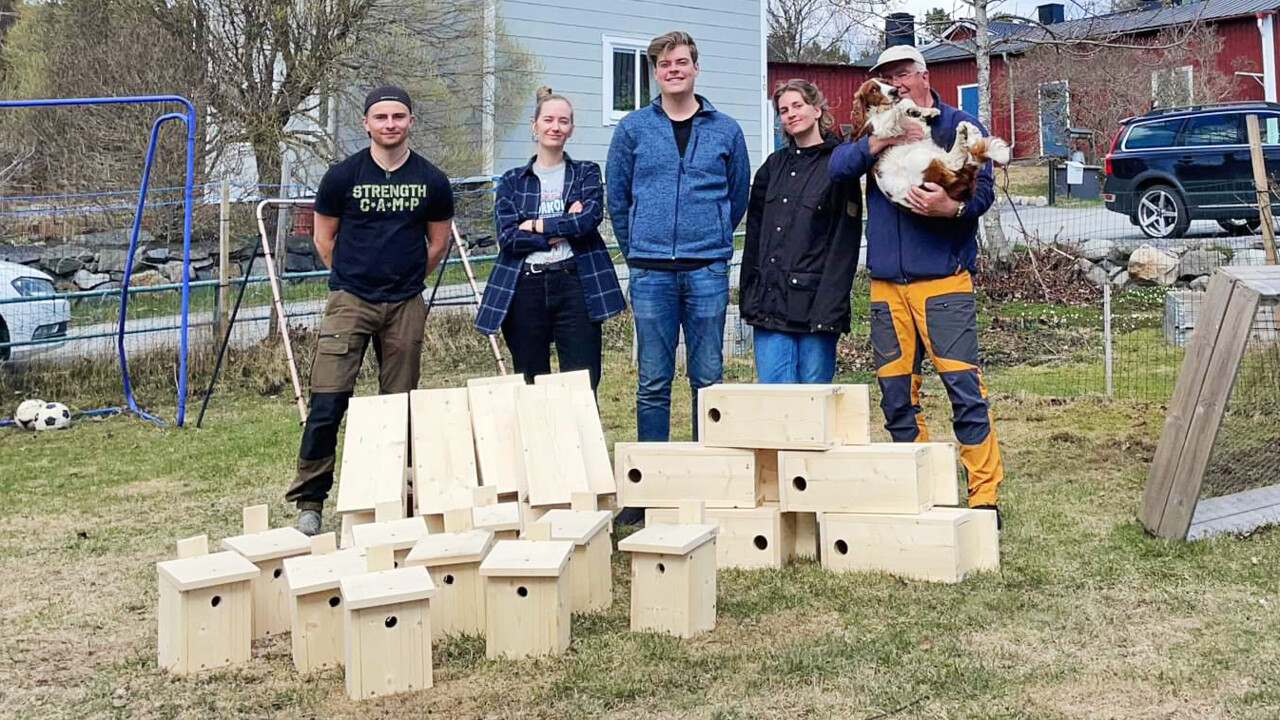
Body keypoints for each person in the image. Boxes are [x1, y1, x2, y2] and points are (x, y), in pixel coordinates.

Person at [828, 45, 1006, 525]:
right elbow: (838, 168)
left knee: (964, 389)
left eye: (903, 73)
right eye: (887, 77)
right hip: (887, 285)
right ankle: (922, 487)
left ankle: (983, 497)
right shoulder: (875, 125)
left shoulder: (959, 124)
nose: (896, 83)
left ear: (924, 74)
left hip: (944, 280)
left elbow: (983, 191)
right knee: (894, 395)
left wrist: (954, 209)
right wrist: (883, 141)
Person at [286, 86, 454, 535]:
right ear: (366, 123)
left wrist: (407, 277)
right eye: (381, 117)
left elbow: (439, 243)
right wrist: (353, 278)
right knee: (327, 401)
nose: (390, 124)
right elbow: (324, 241)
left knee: (399, 407)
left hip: (405, 303)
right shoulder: (342, 176)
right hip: (350, 301)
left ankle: (396, 495)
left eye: (399, 116)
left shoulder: (432, 180)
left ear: (410, 122)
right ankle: (310, 500)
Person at [606, 30, 750, 442]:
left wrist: (714, 232)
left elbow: (737, 193)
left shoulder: (726, 130)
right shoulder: (633, 128)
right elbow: (617, 195)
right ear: (655, 73)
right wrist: (636, 250)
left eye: (681, 62)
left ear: (695, 68)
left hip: (706, 269)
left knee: (708, 379)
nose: (674, 70)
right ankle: (651, 483)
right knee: (653, 382)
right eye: (665, 64)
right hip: (651, 273)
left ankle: (709, 473)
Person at [475, 88, 625, 390]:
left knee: (582, 383)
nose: (555, 127)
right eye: (548, 120)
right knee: (531, 383)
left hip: (576, 284)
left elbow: (587, 221)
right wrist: (558, 229)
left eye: (563, 121)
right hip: (525, 287)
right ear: (535, 125)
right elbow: (508, 237)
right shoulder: (512, 181)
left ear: (571, 129)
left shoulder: (586, 173)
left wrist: (534, 224)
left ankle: (580, 439)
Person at [741, 79, 861, 383]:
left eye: (798, 106)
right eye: (783, 110)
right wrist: (749, 294)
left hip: (816, 306)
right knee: (776, 404)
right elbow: (755, 237)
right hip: (769, 306)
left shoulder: (839, 165)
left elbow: (844, 244)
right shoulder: (772, 167)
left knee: (814, 407)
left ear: (817, 109)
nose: (790, 114)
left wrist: (831, 307)